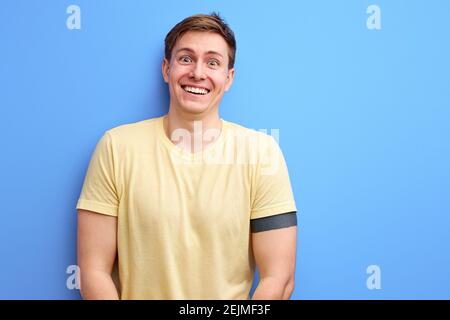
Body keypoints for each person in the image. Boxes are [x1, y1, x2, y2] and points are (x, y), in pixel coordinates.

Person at [76, 12, 298, 300]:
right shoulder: (116, 147)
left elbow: (279, 279)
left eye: (213, 62)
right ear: (166, 69)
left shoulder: (262, 153)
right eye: (185, 58)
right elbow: (93, 273)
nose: (198, 72)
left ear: (228, 78)